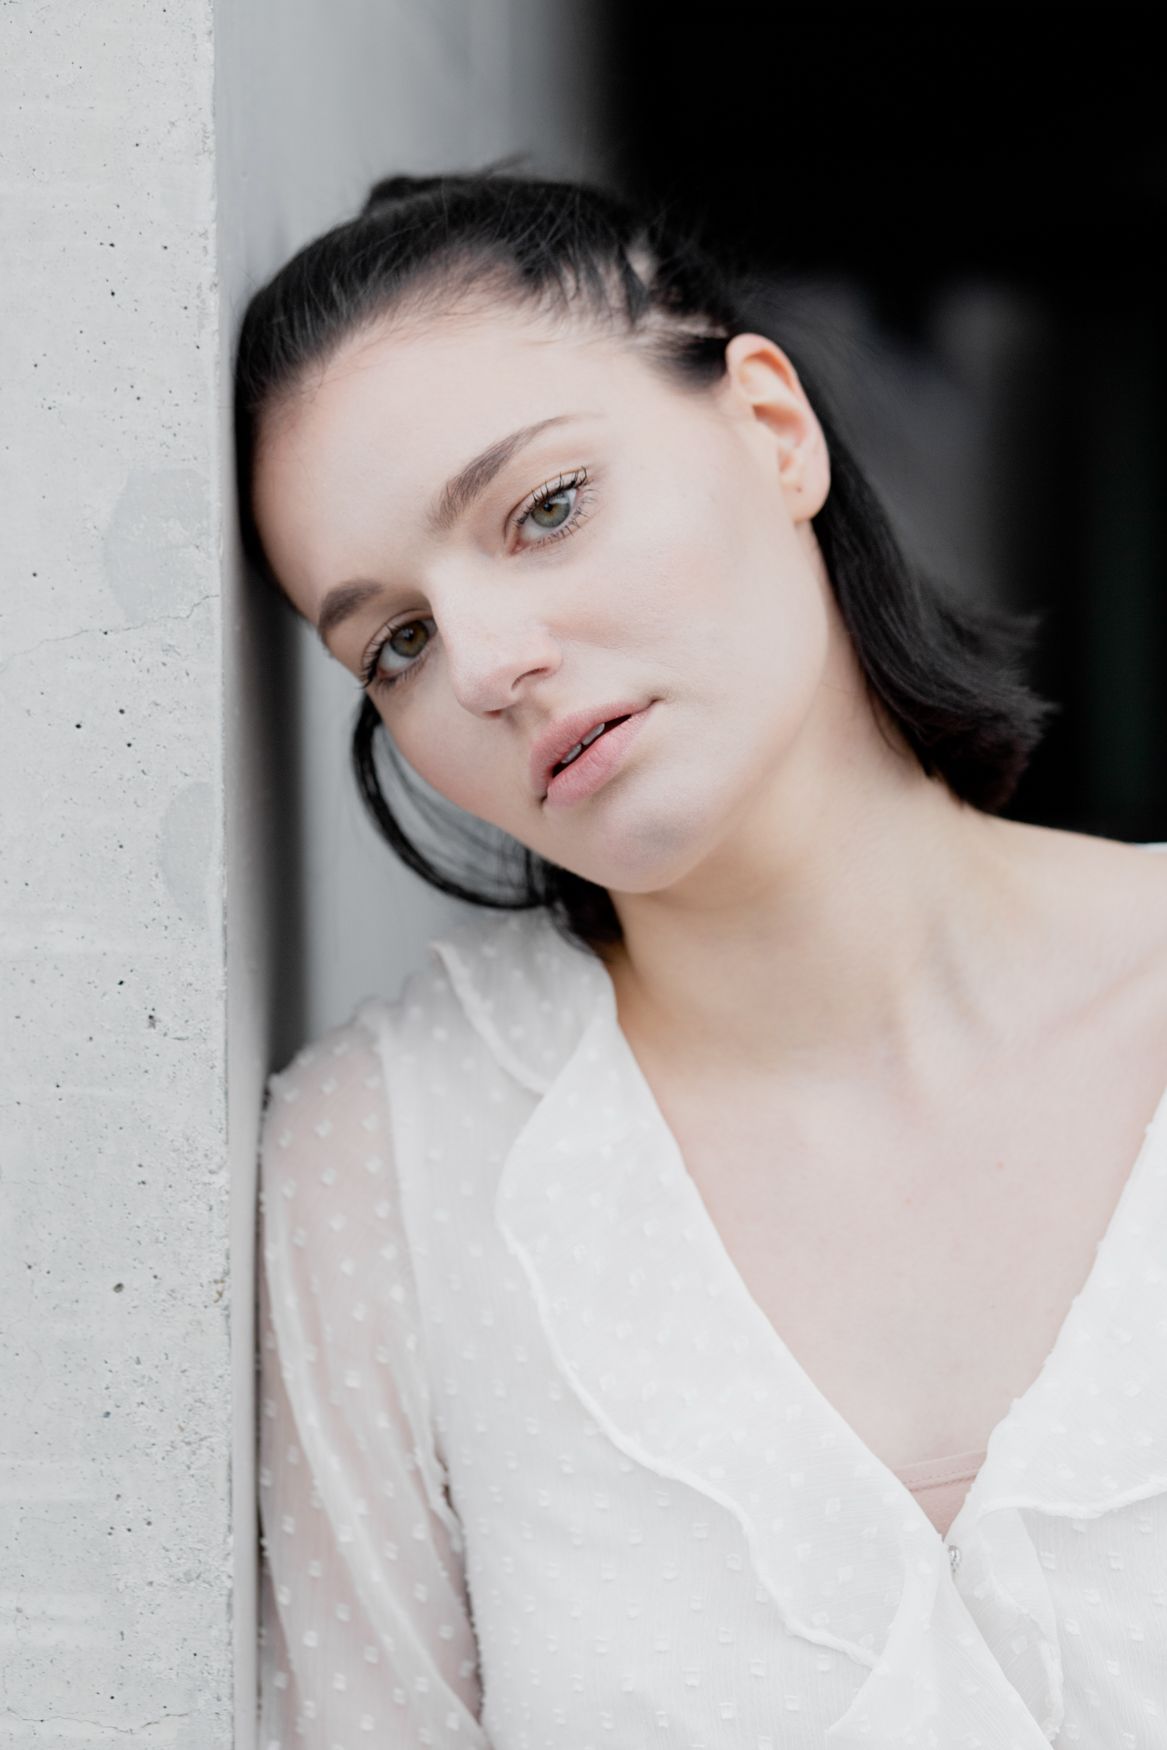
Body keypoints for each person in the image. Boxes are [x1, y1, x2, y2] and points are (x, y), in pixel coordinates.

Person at [234, 167, 1167, 1749]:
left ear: (772, 429)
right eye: (394, 641)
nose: (488, 663)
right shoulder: (385, 1168)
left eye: (545, 507)